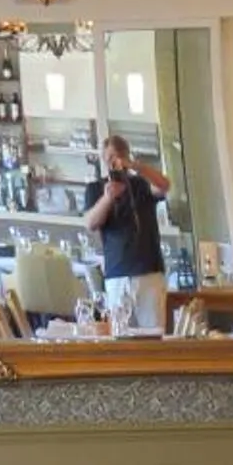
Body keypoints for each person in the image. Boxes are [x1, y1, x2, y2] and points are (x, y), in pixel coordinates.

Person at [83, 135, 171, 331]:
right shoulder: (96, 188)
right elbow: (90, 223)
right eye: (109, 158)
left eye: (118, 157)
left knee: (153, 335)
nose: (114, 163)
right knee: (121, 335)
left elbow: (164, 185)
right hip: (117, 273)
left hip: (149, 271)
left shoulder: (141, 184)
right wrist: (108, 198)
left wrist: (135, 166)